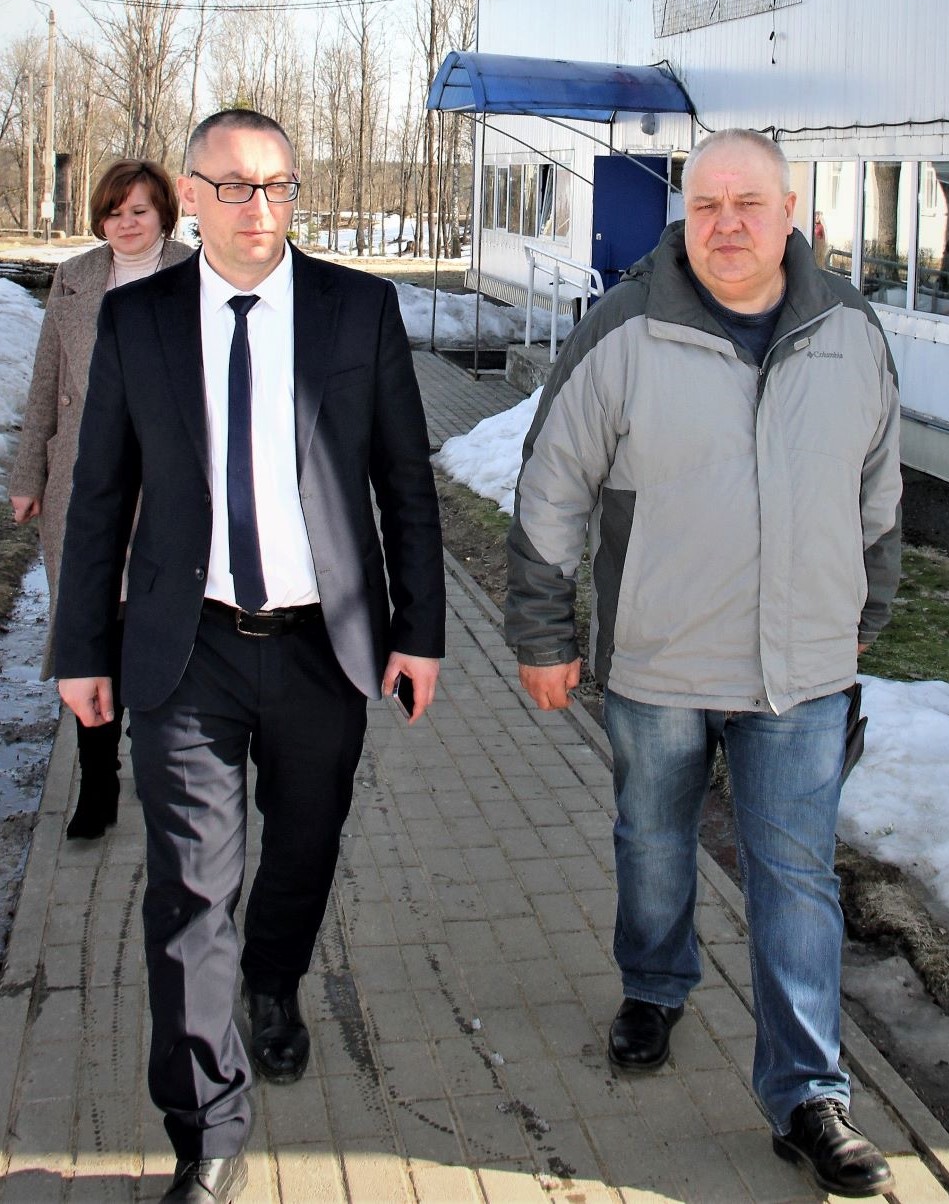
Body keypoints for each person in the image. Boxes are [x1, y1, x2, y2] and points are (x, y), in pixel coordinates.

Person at [54, 109, 445, 1204]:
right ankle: (206, 1129)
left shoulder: (356, 308)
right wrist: (81, 645)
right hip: (187, 649)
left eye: (277, 184)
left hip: (325, 644)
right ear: (190, 195)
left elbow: (405, 483)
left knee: (305, 846)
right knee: (189, 889)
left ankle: (274, 982)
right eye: (233, 185)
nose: (259, 206)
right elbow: (99, 494)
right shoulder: (138, 320)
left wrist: (419, 633)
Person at [506, 130, 901, 1201]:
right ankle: (653, 985)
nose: (725, 224)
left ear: (790, 216)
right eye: (707, 203)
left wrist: (864, 611)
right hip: (661, 661)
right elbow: (550, 486)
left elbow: (876, 491)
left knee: (795, 878)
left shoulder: (848, 330)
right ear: (685, 214)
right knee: (652, 841)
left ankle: (808, 1097)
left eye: (748, 203)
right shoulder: (625, 327)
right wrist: (543, 634)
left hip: (800, 675)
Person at [9, 158, 191, 838]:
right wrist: (28, 476)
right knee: (92, 627)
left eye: (138, 211)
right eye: (114, 213)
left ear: (164, 212)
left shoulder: (195, 275)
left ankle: (159, 761)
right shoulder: (76, 277)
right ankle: (96, 781)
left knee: (159, 621)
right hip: (82, 481)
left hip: (169, 483)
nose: (126, 224)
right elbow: (46, 381)